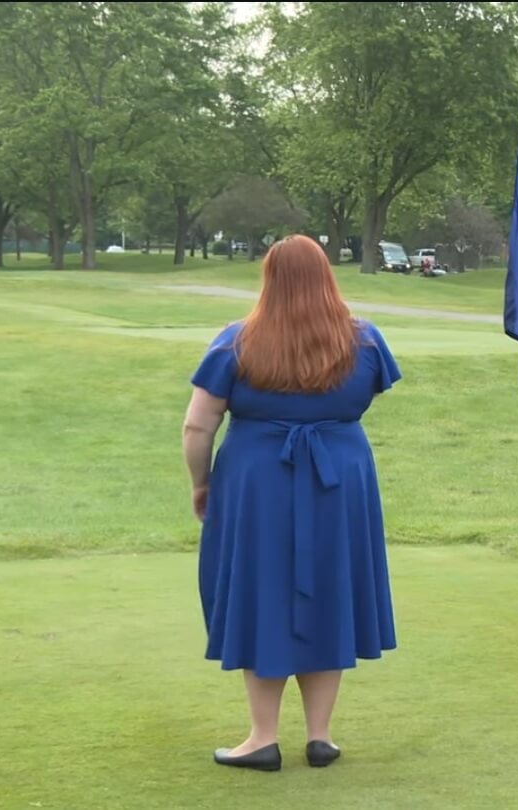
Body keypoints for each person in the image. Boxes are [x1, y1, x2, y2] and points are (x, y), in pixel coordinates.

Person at [181, 234, 402, 772]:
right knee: (329, 592)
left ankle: (262, 738)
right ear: (327, 277)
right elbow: (363, 395)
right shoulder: (364, 342)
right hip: (340, 482)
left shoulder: (238, 342)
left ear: (269, 278)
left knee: (262, 594)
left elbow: (197, 424)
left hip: (257, 483)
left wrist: (201, 483)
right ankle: (320, 737)